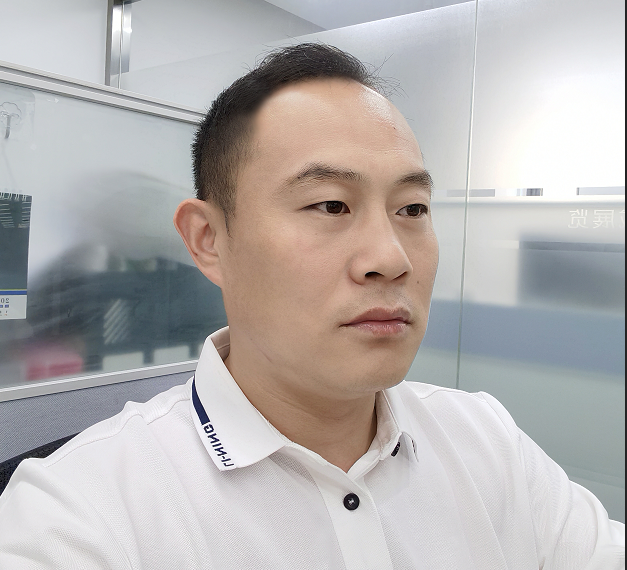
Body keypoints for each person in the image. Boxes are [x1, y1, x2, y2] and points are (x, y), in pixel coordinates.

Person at [0, 43, 623, 569]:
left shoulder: (484, 440)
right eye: (330, 205)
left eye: (412, 209)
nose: (391, 258)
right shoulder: (80, 512)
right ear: (209, 240)